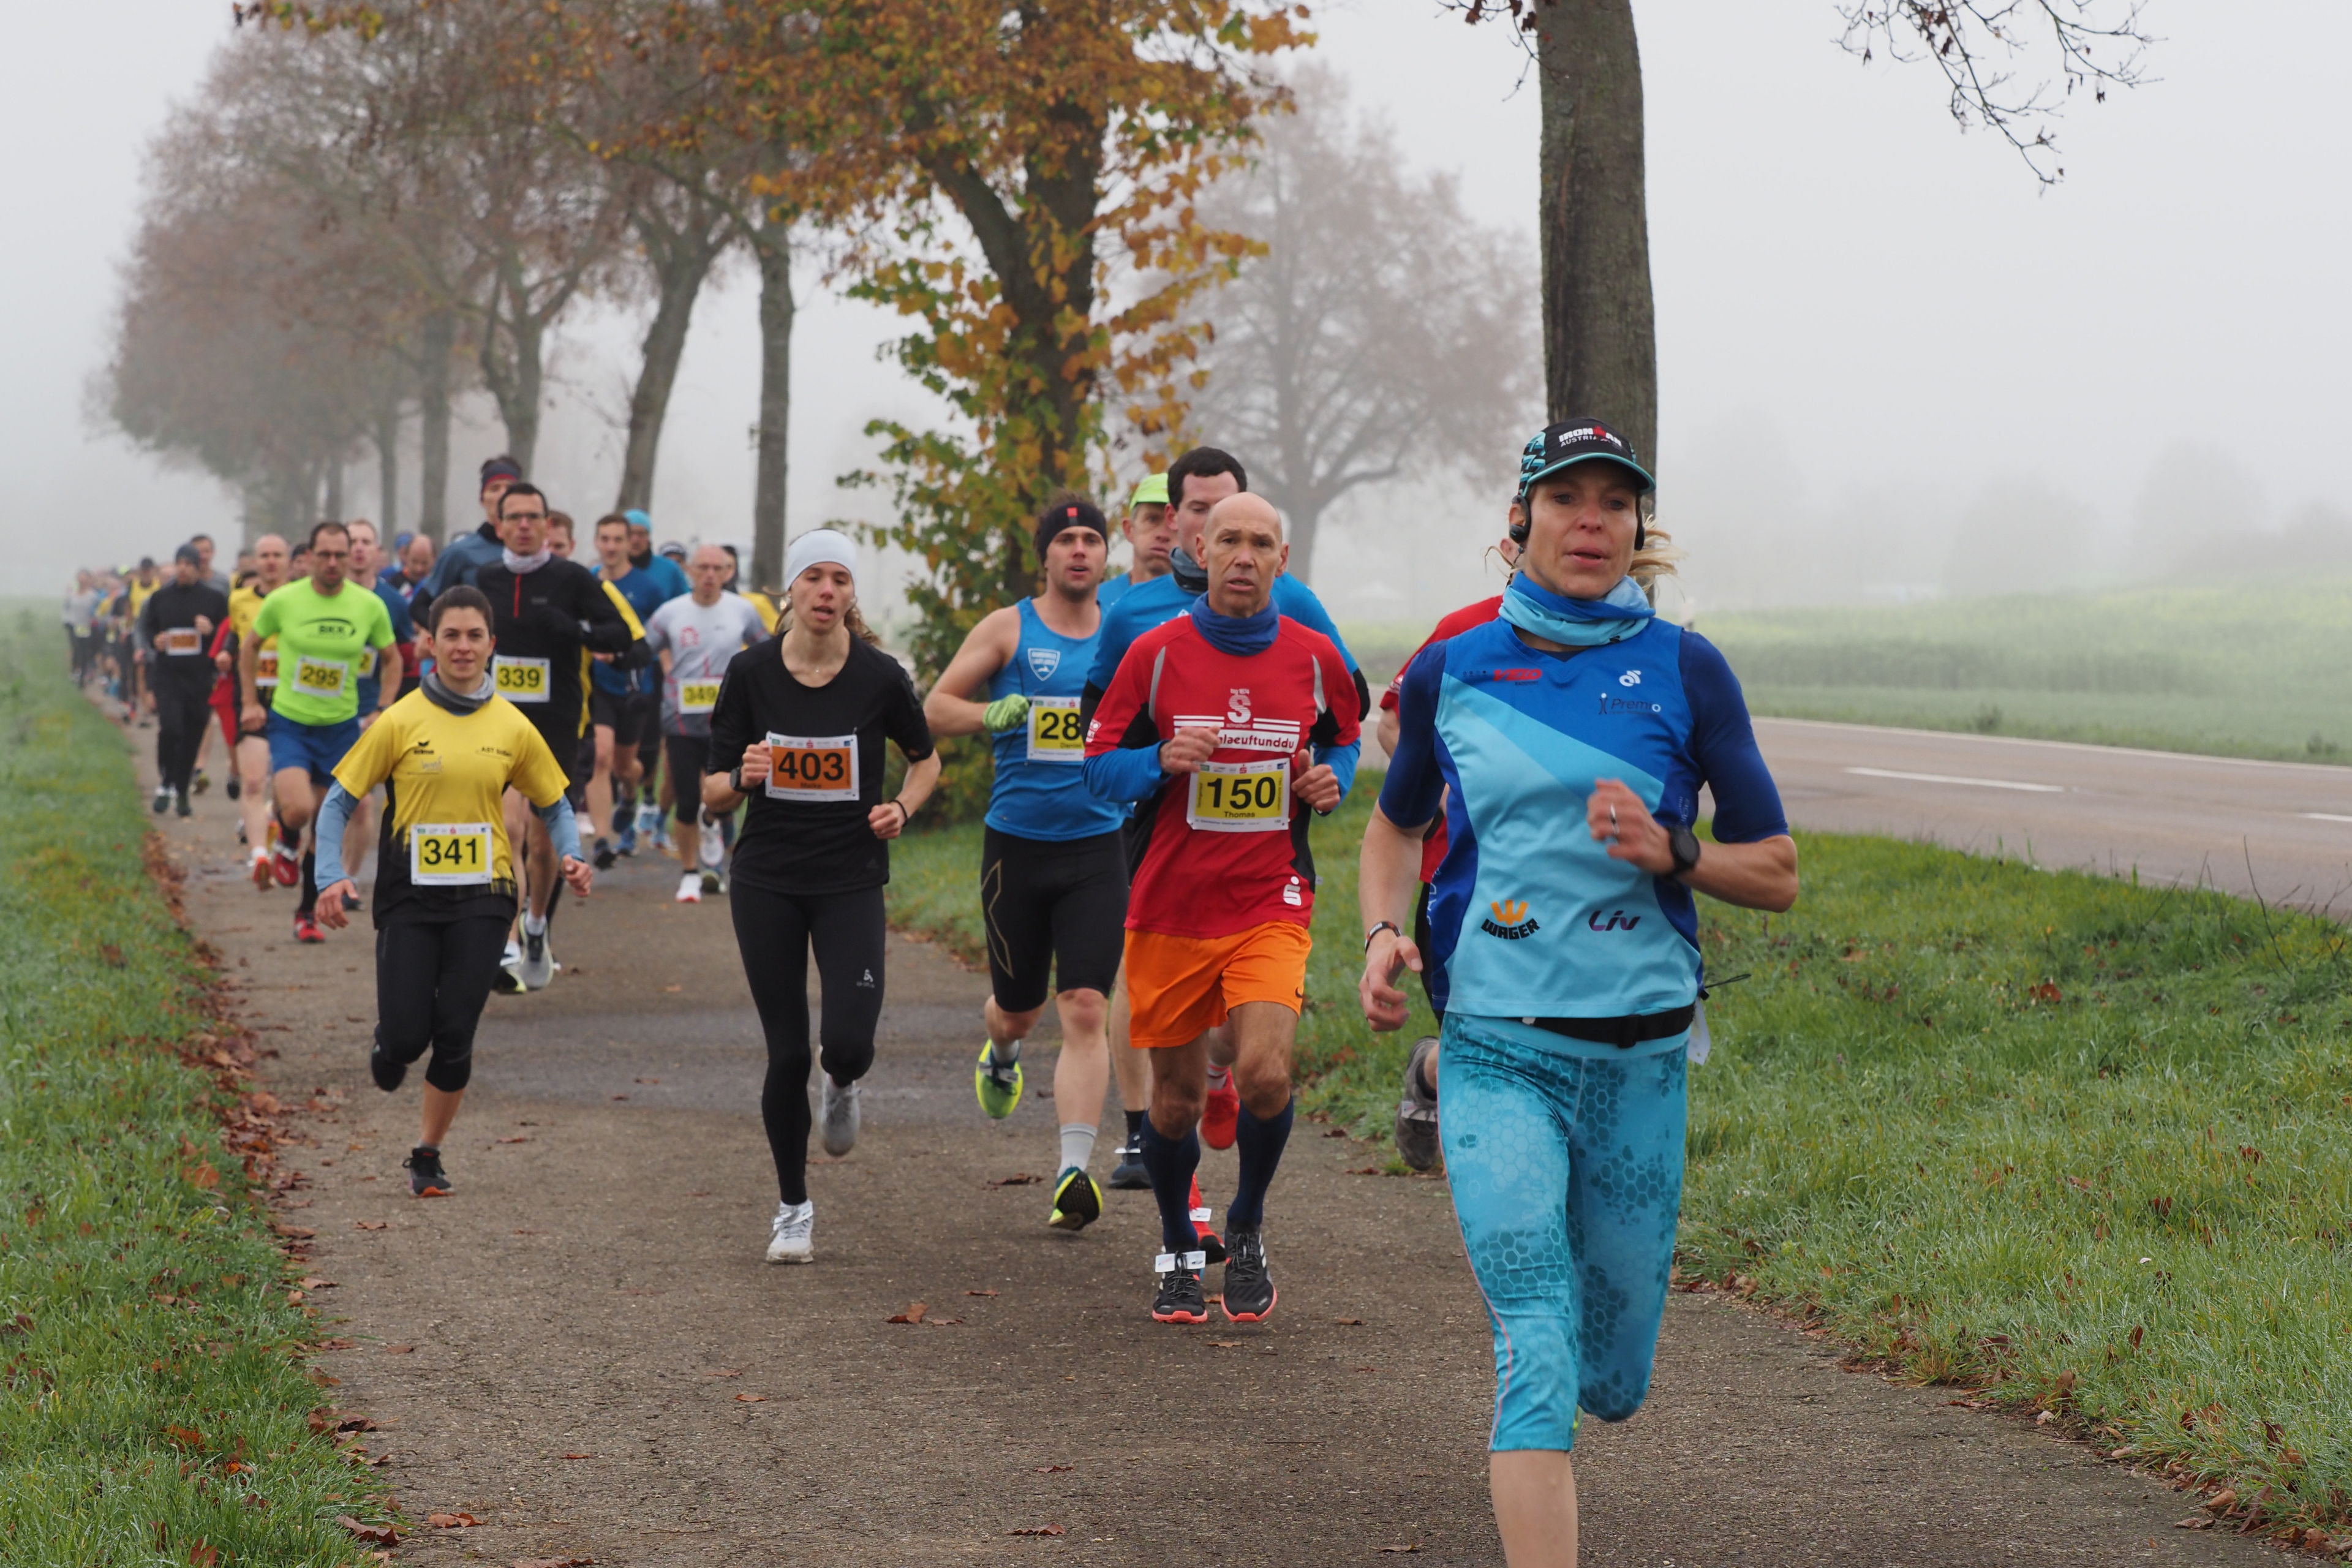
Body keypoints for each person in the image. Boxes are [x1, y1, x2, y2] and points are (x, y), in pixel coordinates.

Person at [1357, 419, 1797, 1568]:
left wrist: (1676, 852)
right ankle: (1446, 1072)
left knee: (1612, 1379)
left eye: (1615, 502)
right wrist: (1383, 934)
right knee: (1537, 1347)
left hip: (1640, 1058)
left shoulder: (1688, 669)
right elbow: (1396, 826)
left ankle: (1436, 1080)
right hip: (1501, 1044)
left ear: (1639, 527)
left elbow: (1777, 872)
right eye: (1567, 499)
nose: (1591, 521)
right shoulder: (1455, 668)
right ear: (1522, 522)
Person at [1082, 492, 1360, 1325]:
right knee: (1174, 1105)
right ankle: (1177, 1243)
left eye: (1261, 543)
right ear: (1199, 550)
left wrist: (1333, 779)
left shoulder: (1316, 656)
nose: (1244, 556)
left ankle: (1247, 1223)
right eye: (1228, 540)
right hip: (1171, 904)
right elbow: (1097, 764)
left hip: (1270, 895)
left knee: (1265, 1072)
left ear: (1282, 559)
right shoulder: (1155, 653)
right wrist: (1160, 761)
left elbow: (1346, 737)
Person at [703, 529, 940, 1264]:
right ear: (791, 590)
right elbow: (709, 793)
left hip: (849, 879)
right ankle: (792, 1209)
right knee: (784, 1054)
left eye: (840, 578)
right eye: (814, 577)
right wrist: (740, 777)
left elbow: (926, 761)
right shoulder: (750, 673)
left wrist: (901, 808)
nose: (827, 590)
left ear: (851, 593)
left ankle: (843, 1080)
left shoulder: (879, 675)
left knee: (849, 1043)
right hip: (768, 879)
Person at [310, 586, 592, 1197]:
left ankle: (428, 1153)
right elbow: (337, 803)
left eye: (474, 636)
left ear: (492, 645)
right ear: (430, 645)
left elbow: (555, 803)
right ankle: (391, 1043)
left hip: (486, 895)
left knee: (457, 1029)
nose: (463, 647)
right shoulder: (400, 720)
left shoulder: (512, 725)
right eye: (451, 636)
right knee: (408, 1036)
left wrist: (570, 853)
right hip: (409, 894)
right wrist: (330, 875)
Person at [924, 497, 1128, 1231]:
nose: (1079, 550)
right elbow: (934, 707)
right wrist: (991, 714)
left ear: (1105, 556)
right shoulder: (1009, 628)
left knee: (1087, 1006)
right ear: (1044, 556)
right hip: (1016, 847)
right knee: (1019, 1009)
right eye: (1065, 539)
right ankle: (1003, 1052)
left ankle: (1073, 1170)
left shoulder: (1124, 632)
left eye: (1091, 539)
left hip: (1098, 845)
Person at [475, 483, 646, 990]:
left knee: (543, 843)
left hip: (556, 726)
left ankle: (536, 925)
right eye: (515, 517)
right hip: (497, 723)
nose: (525, 525)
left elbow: (623, 636)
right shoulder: (485, 578)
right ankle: (508, 942)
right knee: (508, 830)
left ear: (548, 525)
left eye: (534, 517)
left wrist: (576, 631)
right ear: (499, 526)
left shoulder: (572, 578)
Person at [241, 522, 401, 943]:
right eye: (324, 555)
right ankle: (286, 838)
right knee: (298, 809)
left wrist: (382, 710)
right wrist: (250, 702)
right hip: (290, 723)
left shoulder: (369, 606)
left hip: (341, 729)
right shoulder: (284, 600)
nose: (332, 563)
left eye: (340, 555)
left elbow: (393, 658)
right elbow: (249, 646)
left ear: (350, 558)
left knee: (328, 826)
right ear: (310, 557)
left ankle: (307, 912)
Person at [641, 544, 768, 902]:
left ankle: (711, 819)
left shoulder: (743, 610)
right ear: (690, 572)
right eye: (703, 568)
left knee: (731, 795)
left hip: (729, 721)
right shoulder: (671, 612)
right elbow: (642, 650)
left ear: (728, 572)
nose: (710, 575)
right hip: (681, 720)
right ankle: (689, 874)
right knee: (686, 798)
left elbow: (767, 652)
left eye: (718, 568)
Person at [588, 513, 679, 869]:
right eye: (605, 539)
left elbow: (662, 638)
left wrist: (669, 673)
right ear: (596, 542)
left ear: (630, 544)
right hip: (595, 685)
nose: (611, 547)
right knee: (600, 757)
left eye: (618, 540)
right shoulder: (586, 583)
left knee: (626, 767)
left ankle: (629, 796)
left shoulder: (648, 588)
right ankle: (601, 841)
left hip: (634, 687)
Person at [138, 545, 230, 817]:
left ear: (198, 568)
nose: (183, 568)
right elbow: (147, 628)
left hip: (200, 678)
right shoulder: (160, 598)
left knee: (192, 735)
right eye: (179, 563)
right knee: (171, 728)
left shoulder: (214, 598)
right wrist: (155, 641)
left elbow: (228, 633)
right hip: (168, 675)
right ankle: (166, 780)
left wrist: (211, 630)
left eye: (189, 564)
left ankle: (181, 790)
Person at [221, 533, 292, 878]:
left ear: (288, 561)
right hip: (251, 696)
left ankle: (274, 823)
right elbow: (237, 640)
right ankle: (259, 855)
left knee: (285, 783)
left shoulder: (300, 598)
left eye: (278, 555)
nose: (271, 562)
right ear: (255, 562)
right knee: (252, 781)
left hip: (292, 698)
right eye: (264, 556)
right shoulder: (238, 600)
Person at [417, 456, 524, 607]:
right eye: (494, 488)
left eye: (509, 488)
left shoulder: (538, 553)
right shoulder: (459, 552)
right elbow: (419, 606)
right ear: (482, 499)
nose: (503, 494)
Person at [1098, 473, 1172, 613]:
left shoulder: (1202, 607)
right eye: (1152, 519)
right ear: (1129, 529)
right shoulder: (1098, 601)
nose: (1162, 534)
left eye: (1173, 522)